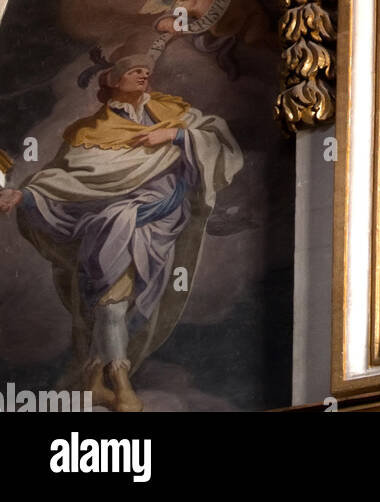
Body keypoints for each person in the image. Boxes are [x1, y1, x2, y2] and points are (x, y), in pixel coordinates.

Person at [0, 52, 242, 413]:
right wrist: (27, 194)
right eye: (133, 71)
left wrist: (175, 135)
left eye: (146, 70)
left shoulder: (171, 112)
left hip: (159, 219)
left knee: (114, 301)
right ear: (111, 81)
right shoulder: (88, 133)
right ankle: (115, 383)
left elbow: (218, 141)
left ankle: (103, 379)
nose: (143, 74)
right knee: (113, 299)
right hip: (110, 223)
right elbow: (68, 179)